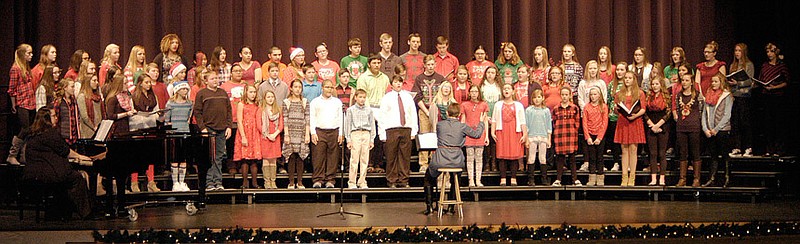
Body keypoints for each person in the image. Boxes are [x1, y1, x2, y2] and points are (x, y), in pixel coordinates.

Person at [22, 108, 96, 220]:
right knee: (77, 178)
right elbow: (65, 150)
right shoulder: (50, 133)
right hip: (48, 174)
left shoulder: (32, 134)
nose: (56, 118)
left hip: (33, 173)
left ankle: (62, 212)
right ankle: (86, 213)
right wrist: (80, 156)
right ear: (46, 119)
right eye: (53, 116)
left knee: (67, 178)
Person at [422, 103, 484, 215]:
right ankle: (451, 208)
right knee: (456, 179)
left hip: (440, 159)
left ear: (447, 113)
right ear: (459, 114)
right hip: (456, 160)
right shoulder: (462, 126)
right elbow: (477, 135)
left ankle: (430, 207)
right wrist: (481, 123)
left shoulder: (440, 125)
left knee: (428, 178)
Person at [193, 71, 233, 191]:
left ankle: (218, 181)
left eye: (216, 78)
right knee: (209, 156)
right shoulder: (202, 94)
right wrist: (202, 128)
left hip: (222, 128)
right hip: (208, 129)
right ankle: (209, 182)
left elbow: (229, 110)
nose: (215, 80)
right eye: (212, 78)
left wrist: (229, 126)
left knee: (219, 156)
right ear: (206, 81)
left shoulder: (223, 93)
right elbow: (197, 112)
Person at [379, 75, 418, 188]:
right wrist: (382, 133)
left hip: (406, 129)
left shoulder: (407, 97)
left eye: (400, 82)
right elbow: (382, 116)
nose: (398, 84)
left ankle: (404, 180)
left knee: (405, 157)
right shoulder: (387, 97)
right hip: (391, 129)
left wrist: (413, 130)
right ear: (392, 84)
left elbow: (412, 114)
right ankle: (392, 180)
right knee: (391, 156)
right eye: (396, 82)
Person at [356, 55, 390, 173]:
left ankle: (378, 164)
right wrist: (368, 111)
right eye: (374, 63)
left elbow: (387, 94)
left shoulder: (385, 78)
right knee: (368, 138)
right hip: (368, 110)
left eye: (378, 63)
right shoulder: (363, 78)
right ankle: (369, 163)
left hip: (381, 110)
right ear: (369, 64)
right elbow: (361, 95)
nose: (376, 65)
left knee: (380, 139)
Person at [412, 55, 446, 172]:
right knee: (424, 135)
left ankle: (435, 160)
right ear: (424, 65)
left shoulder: (440, 78)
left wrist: (436, 109)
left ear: (435, 65)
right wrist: (426, 111)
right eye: (428, 65)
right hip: (424, 110)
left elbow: (444, 94)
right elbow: (417, 96)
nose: (431, 67)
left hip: (437, 111)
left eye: (432, 64)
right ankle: (423, 163)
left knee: (436, 135)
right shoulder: (419, 79)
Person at [129, 75, 162, 192]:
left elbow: (156, 112)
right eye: (147, 82)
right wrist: (145, 118)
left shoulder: (153, 96)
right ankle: (134, 182)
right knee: (136, 157)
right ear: (140, 83)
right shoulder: (133, 97)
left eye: (150, 82)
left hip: (150, 129)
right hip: (138, 129)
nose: (149, 84)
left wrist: (155, 116)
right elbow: (132, 115)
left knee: (150, 156)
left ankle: (151, 182)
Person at [756, 43, 789, 157]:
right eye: (767, 52)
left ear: (776, 52)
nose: (769, 54)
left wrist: (774, 87)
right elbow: (761, 79)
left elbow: (786, 82)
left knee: (778, 123)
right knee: (767, 124)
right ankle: (769, 149)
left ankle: (779, 149)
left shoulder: (781, 66)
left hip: (778, 97)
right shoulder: (765, 65)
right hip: (766, 96)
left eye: (771, 52)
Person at [309, 80, 344, 188]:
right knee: (318, 156)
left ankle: (330, 180)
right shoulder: (315, 102)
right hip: (320, 131)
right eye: (327, 87)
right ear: (322, 88)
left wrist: (341, 133)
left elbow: (341, 118)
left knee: (333, 157)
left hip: (334, 131)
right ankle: (318, 179)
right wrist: (313, 132)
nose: (329, 89)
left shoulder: (337, 102)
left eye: (331, 87)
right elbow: (312, 117)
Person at [614, 71, 646, 186]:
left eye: (630, 78)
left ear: (634, 80)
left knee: (633, 150)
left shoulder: (640, 93)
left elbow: (643, 109)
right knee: (624, 150)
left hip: (635, 122)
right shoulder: (619, 94)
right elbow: (616, 110)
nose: (627, 80)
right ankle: (624, 177)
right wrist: (615, 108)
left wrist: (635, 116)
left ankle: (632, 177)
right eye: (626, 78)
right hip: (623, 122)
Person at [491, 83, 527, 186]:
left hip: (515, 131)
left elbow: (523, 121)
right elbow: (494, 119)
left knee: (514, 155)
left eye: (508, 89)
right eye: (504, 89)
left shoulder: (518, 105)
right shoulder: (498, 104)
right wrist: (493, 131)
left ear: (512, 91)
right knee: (502, 155)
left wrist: (524, 134)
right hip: (502, 131)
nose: (506, 90)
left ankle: (513, 178)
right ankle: (502, 178)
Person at [702, 72, 733, 187]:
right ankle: (712, 178)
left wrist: (717, 129)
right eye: (712, 81)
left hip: (722, 130)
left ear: (721, 82)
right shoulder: (708, 94)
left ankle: (727, 177)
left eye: (716, 81)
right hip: (710, 131)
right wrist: (705, 129)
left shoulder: (726, 95)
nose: (713, 84)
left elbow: (727, 115)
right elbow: (704, 114)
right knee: (713, 155)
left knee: (724, 154)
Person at [674, 73, 703, 187]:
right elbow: (677, 108)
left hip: (694, 127)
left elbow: (701, 110)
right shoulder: (678, 95)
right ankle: (683, 178)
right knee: (683, 153)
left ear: (691, 82)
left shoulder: (697, 95)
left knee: (695, 152)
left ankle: (696, 179)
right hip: (681, 127)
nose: (684, 82)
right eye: (683, 80)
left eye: (687, 80)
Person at [164, 81, 193, 191]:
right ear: (177, 90)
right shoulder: (170, 104)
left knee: (184, 158)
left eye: (186, 89)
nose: (185, 91)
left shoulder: (189, 104)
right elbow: (167, 120)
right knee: (175, 158)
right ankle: (175, 183)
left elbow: (189, 119)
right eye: (183, 89)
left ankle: (182, 182)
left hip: (185, 132)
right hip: (174, 133)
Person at [727, 43, 755, 157]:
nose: (737, 53)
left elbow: (750, 82)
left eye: (739, 51)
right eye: (735, 50)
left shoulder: (749, 65)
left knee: (745, 122)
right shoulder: (733, 65)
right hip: (734, 97)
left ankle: (748, 147)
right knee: (735, 122)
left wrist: (737, 83)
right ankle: (737, 147)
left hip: (744, 97)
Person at [282, 79, 310, 189]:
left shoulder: (305, 102)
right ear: (291, 89)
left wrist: (307, 133)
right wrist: (286, 134)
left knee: (300, 156)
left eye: (299, 87)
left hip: (301, 132)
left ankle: (299, 181)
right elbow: (285, 119)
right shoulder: (286, 102)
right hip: (291, 132)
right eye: (296, 87)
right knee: (291, 156)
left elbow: (307, 118)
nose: (298, 89)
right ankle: (291, 182)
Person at [233, 85, 263, 189]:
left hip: (255, 132)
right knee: (245, 158)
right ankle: (245, 183)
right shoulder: (242, 104)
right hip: (245, 132)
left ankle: (254, 183)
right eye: (251, 92)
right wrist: (243, 136)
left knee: (254, 159)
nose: (253, 94)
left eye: (254, 92)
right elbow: (239, 121)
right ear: (246, 92)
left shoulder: (257, 104)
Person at [344, 89, 375, 189]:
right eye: (360, 97)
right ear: (356, 98)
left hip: (366, 133)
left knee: (364, 159)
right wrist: (348, 139)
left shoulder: (369, 110)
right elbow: (347, 125)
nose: (362, 99)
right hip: (355, 133)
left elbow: (372, 125)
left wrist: (372, 139)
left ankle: (362, 181)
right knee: (354, 159)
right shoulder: (350, 110)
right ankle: (352, 181)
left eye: (364, 97)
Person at [644, 76, 672, 186]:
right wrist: (651, 125)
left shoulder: (666, 97)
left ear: (661, 85)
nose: (655, 86)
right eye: (653, 84)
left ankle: (662, 178)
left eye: (657, 84)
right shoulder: (648, 97)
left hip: (662, 125)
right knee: (653, 153)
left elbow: (668, 113)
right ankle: (653, 178)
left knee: (661, 153)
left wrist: (658, 125)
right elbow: (645, 112)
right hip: (651, 125)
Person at [550, 87, 581, 186]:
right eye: (562, 94)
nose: (564, 97)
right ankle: (558, 179)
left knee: (572, 158)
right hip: (560, 135)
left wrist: (574, 130)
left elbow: (577, 122)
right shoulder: (556, 109)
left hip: (571, 135)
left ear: (570, 95)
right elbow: (554, 122)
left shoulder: (574, 108)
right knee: (560, 158)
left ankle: (574, 179)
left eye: (566, 94)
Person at [460, 86, 489, 187]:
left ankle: (478, 180)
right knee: (470, 158)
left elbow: (485, 121)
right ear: (469, 93)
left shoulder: (483, 105)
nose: (474, 93)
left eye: (476, 91)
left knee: (479, 158)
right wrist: (462, 134)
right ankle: (471, 180)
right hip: (469, 134)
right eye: (472, 91)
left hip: (480, 134)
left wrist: (487, 136)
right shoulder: (464, 105)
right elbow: (463, 120)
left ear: (479, 93)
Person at [524, 89, 552, 186]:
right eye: (535, 97)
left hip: (543, 136)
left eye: (539, 97)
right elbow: (526, 125)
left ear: (543, 98)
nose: (537, 99)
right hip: (532, 136)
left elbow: (549, 125)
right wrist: (526, 139)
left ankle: (544, 178)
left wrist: (549, 139)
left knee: (542, 158)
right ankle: (531, 179)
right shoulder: (528, 110)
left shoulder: (546, 110)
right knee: (531, 158)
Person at [582, 87, 608, 186]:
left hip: (600, 135)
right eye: (591, 95)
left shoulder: (604, 107)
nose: (593, 96)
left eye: (595, 94)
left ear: (599, 95)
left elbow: (605, 122)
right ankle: (592, 177)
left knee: (599, 157)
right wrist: (587, 137)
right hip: (590, 135)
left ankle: (600, 176)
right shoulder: (587, 107)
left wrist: (599, 137)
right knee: (591, 157)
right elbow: (584, 122)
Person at [605, 62, 628, 172]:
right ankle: (616, 162)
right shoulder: (611, 85)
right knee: (615, 141)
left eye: (622, 70)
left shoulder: (629, 84)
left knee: (625, 142)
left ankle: (626, 163)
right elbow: (608, 100)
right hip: (614, 117)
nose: (619, 72)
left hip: (626, 117)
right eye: (618, 70)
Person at [259, 90, 283, 189]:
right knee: (266, 160)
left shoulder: (278, 109)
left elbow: (281, 124)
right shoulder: (261, 110)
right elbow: (259, 125)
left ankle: (273, 181)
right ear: (264, 99)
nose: (270, 99)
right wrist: (268, 135)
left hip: (275, 137)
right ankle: (267, 182)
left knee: (273, 160)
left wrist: (275, 134)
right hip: (265, 137)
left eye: (272, 97)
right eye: (268, 97)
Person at [481, 66, 502, 172]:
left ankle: (494, 162)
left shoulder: (499, 86)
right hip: (485, 117)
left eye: (492, 72)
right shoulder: (482, 86)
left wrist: (495, 118)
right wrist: (486, 116)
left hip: (496, 117)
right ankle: (486, 163)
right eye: (488, 72)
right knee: (485, 140)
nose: (490, 74)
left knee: (494, 141)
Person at [53, 78, 80, 144]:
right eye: (72, 87)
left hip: (74, 136)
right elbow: (56, 118)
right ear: (65, 88)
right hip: (64, 135)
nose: (74, 89)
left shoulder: (74, 101)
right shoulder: (59, 102)